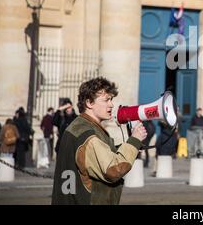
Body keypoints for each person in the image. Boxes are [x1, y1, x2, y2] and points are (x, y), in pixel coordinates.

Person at [51, 77, 147, 205]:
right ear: (89, 103)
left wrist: (130, 145)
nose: (111, 105)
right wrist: (134, 141)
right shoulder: (89, 136)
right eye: (106, 100)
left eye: (111, 99)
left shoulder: (79, 126)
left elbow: (97, 156)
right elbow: (114, 170)